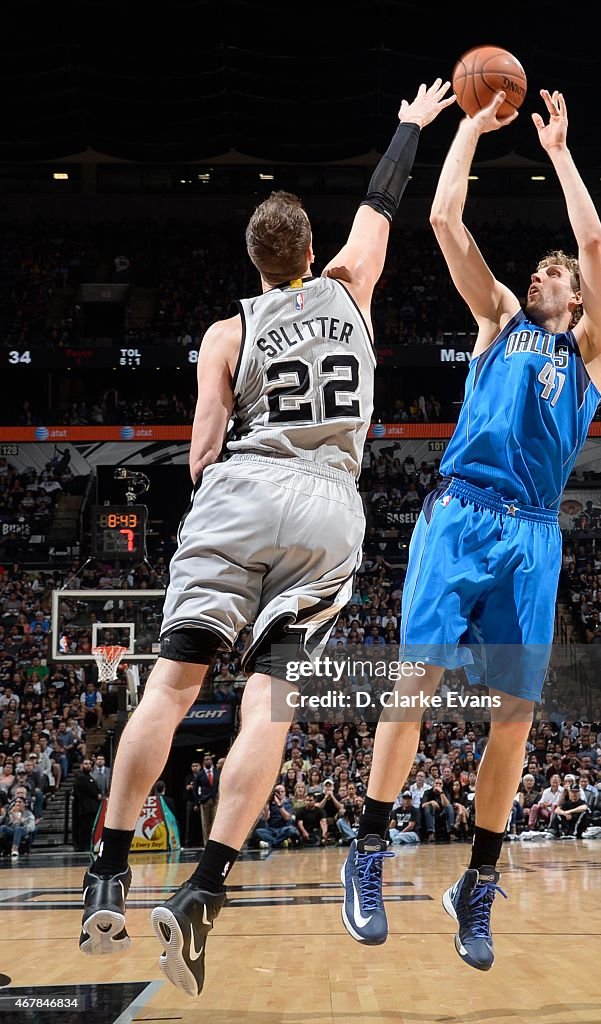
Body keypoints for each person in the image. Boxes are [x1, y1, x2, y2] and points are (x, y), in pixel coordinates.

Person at [78, 78, 454, 996]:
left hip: (239, 490)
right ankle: (203, 888)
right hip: (325, 504)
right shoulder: (349, 285)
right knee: (267, 707)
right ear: (311, 252)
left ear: (252, 262)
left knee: (170, 689)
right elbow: (382, 203)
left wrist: (218, 484)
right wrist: (409, 126)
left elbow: (203, 446)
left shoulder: (223, 330)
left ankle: (110, 869)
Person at [341, 86, 601, 969]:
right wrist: (464, 124)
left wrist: (561, 152)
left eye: (552, 275)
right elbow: (443, 217)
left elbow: (593, 242)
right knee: (413, 684)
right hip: (459, 511)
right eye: (534, 271)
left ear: (574, 301)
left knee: (514, 717)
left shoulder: (591, 352)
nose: (540, 275)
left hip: (533, 535)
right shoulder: (497, 322)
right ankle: (368, 850)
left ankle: (479, 881)